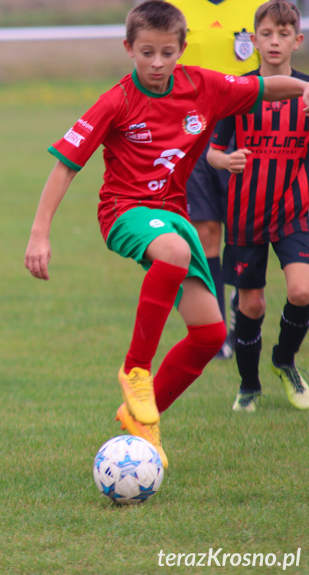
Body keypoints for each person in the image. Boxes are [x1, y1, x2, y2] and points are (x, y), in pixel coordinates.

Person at [24, 0, 309, 468]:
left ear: (181, 49)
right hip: (124, 212)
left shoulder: (205, 85)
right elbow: (65, 167)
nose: (157, 63)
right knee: (175, 250)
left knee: (208, 332)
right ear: (129, 49)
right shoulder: (117, 100)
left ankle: (142, 418)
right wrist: (40, 233)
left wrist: (302, 88)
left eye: (167, 53)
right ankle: (135, 369)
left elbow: (264, 87)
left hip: (172, 215)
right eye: (147, 53)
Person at [207, 0, 309, 412]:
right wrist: (225, 160)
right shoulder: (238, 90)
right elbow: (212, 151)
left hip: (295, 210)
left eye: (283, 34)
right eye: (266, 34)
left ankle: (284, 361)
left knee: (302, 291)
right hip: (246, 214)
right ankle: (249, 385)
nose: (274, 42)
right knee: (252, 304)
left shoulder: (307, 91)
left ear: (297, 41)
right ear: (252, 39)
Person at [170, 0, 266, 360]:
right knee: (205, 229)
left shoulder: (256, 5)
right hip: (191, 133)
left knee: (243, 226)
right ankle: (216, 330)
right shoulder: (174, 6)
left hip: (244, 135)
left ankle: (241, 296)